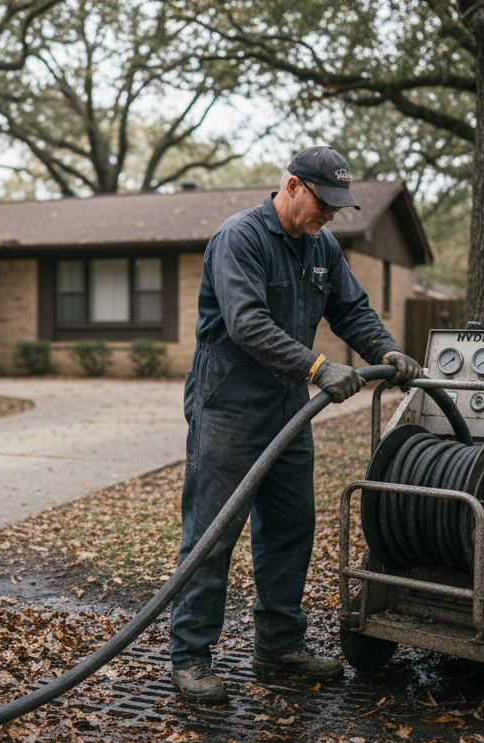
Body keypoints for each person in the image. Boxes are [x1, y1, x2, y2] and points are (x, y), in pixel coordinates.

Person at [170, 146, 422, 703]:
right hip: (229, 406)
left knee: (290, 527)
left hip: (287, 405)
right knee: (212, 533)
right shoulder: (240, 238)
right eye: (322, 203)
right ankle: (190, 655)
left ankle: (279, 646)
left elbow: (350, 310)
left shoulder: (322, 246)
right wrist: (317, 367)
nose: (329, 215)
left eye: (337, 207)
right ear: (291, 187)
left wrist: (385, 350)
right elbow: (246, 323)